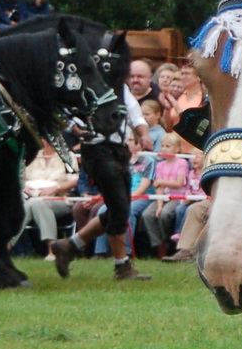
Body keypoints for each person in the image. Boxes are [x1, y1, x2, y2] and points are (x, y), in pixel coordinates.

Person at [48, 73, 153, 281]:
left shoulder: (119, 86)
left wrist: (144, 134)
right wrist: (75, 128)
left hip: (119, 150)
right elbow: (61, 110)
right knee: (120, 206)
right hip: (96, 150)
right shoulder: (81, 85)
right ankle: (122, 266)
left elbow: (134, 113)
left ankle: (70, 245)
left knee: (119, 207)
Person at [13, 143, 79, 252]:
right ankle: (52, 249)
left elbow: (75, 180)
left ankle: (7, 246)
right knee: (35, 203)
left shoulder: (67, 156)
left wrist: (56, 188)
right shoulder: (31, 156)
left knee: (36, 203)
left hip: (59, 199)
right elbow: (19, 178)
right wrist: (24, 187)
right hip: (31, 197)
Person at [140, 134, 192, 257]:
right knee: (147, 214)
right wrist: (159, 205)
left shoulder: (182, 162)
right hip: (163, 196)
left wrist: (162, 182)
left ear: (177, 149)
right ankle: (157, 244)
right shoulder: (160, 165)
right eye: (162, 146)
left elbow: (179, 183)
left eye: (168, 146)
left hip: (178, 196)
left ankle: (167, 241)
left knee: (165, 214)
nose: (163, 149)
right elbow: (159, 187)